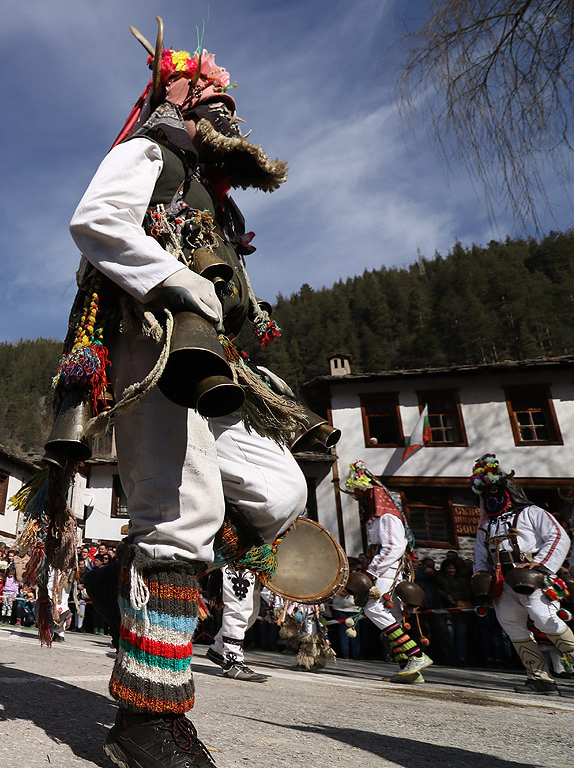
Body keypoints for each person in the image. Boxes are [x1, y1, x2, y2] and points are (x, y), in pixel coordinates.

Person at [58, 21, 317, 768]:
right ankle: (144, 720)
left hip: (216, 365)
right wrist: (181, 283)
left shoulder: (218, 198)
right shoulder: (149, 151)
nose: (231, 112)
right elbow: (96, 222)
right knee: (184, 516)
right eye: (217, 100)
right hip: (153, 340)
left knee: (278, 491)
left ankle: (118, 576)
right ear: (186, 102)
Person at [471, 454, 574, 695]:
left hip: (533, 579)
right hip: (501, 583)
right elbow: (479, 551)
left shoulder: (532, 512)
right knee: (511, 624)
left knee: (544, 617)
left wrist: (540, 564)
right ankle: (539, 678)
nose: (491, 497)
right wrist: (480, 574)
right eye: (486, 494)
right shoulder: (487, 524)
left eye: (495, 491)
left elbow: (559, 536)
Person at [344, 461, 434, 683]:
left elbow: (394, 547)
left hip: (388, 570)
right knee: (391, 617)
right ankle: (409, 670)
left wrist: (372, 572)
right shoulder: (378, 518)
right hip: (385, 569)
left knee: (373, 608)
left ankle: (416, 655)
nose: (358, 499)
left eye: (361, 494)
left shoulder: (387, 516)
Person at [206, 567, 269, 681]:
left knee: (251, 611)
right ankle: (233, 660)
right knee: (239, 605)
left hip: (254, 558)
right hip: (238, 555)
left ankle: (219, 649)